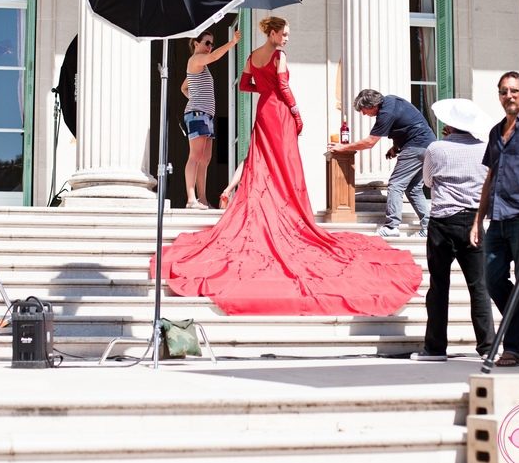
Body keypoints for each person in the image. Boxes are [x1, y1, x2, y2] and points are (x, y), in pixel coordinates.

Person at [152, 16, 421, 315]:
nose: (288, 38)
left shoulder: (254, 55)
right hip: (279, 111)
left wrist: (263, 91)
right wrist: (296, 112)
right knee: (284, 163)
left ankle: (254, 200)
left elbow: (243, 85)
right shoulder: (278, 55)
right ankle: (284, 208)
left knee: (262, 160)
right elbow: (282, 85)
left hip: (263, 109)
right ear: (274, 33)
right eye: (286, 33)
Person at [471, 71, 519, 367]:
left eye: (514, 91)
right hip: (498, 218)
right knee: (492, 281)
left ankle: (515, 348)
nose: (509, 96)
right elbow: (491, 175)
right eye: (504, 91)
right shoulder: (495, 131)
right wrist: (478, 219)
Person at [411, 99, 496, 361]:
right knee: (479, 286)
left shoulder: (436, 148)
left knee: (439, 287)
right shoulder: (486, 148)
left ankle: (435, 347)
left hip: (442, 221)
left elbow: (426, 182)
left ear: (450, 124)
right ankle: (487, 346)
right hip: (473, 221)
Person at [328, 89, 436, 237]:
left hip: (415, 147)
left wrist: (343, 147)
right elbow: (406, 125)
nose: (363, 114)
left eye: (363, 110)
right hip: (428, 146)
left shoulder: (385, 114)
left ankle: (392, 227)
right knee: (413, 188)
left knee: (396, 185)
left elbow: (369, 142)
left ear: (372, 105)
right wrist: (396, 147)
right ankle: (429, 227)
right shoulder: (391, 101)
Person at [180, 28, 241, 209]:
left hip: (205, 115)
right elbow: (214, 57)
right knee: (195, 156)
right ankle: (191, 199)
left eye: (211, 44)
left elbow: (184, 87)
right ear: (196, 43)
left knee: (205, 159)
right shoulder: (195, 59)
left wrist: (194, 97)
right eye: (207, 43)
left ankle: (203, 199)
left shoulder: (200, 65)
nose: (210, 47)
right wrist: (232, 43)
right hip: (198, 114)